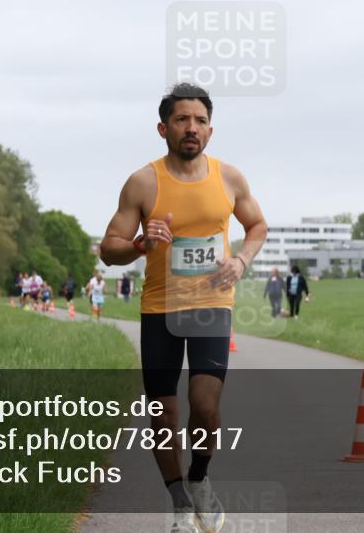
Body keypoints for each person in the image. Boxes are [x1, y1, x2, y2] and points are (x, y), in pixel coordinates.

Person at [99, 83, 267, 533]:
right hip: (161, 308)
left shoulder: (229, 178)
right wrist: (141, 244)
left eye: (200, 120)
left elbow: (256, 225)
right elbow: (108, 249)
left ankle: (200, 479)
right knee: (163, 414)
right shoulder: (143, 182)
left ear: (210, 130)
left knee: (204, 405)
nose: (191, 127)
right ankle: (178, 505)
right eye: (181, 120)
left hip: (212, 304)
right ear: (163, 128)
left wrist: (240, 261)